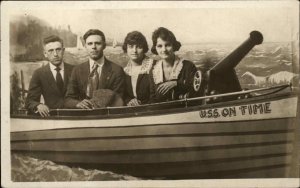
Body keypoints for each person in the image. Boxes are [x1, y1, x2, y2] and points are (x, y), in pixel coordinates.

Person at [64, 29, 125, 109]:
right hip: (84, 116)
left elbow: (118, 100)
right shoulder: (77, 70)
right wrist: (77, 103)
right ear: (85, 46)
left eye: (98, 43)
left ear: (104, 46)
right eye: (90, 44)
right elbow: (68, 99)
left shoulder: (117, 70)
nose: (93, 47)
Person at [25, 35, 74, 117]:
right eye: (50, 51)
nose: (55, 54)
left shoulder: (75, 70)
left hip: (74, 117)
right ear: (45, 54)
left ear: (63, 50)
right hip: (51, 118)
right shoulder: (39, 74)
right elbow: (30, 101)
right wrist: (38, 105)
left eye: (58, 50)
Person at [149, 27, 197, 103]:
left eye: (167, 45)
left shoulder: (188, 66)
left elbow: (197, 91)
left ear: (174, 46)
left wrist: (176, 84)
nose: (164, 50)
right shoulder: (153, 71)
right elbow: (153, 98)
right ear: (155, 48)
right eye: (160, 46)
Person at [122, 31, 154, 106]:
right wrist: (129, 101)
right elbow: (123, 94)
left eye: (139, 47)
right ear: (126, 48)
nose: (134, 51)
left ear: (144, 48)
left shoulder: (153, 66)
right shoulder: (125, 71)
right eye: (131, 47)